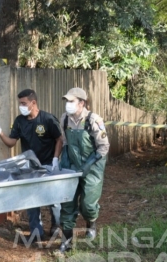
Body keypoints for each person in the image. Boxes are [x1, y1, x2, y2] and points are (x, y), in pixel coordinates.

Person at [0, 89, 63, 241]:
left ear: (33, 103)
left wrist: (56, 159)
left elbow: (59, 139)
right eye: (20, 103)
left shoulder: (48, 119)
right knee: (31, 198)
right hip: (29, 166)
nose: (21, 106)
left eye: (23, 103)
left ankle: (56, 226)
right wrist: (0, 133)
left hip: (49, 164)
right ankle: (36, 231)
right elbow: (11, 143)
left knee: (53, 199)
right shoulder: (19, 121)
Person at [58, 87, 110, 253]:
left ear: (82, 103)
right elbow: (65, 142)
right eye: (67, 101)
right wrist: (62, 163)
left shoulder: (93, 120)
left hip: (93, 168)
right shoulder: (64, 119)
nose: (68, 104)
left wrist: (88, 164)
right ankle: (66, 242)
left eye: (71, 101)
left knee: (87, 205)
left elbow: (104, 147)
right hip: (72, 166)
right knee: (67, 202)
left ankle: (91, 223)